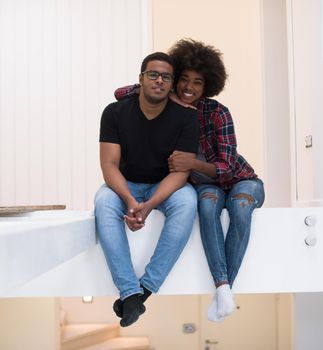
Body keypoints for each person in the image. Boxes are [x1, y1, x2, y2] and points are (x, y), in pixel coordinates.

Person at [115, 39, 265, 322]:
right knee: (206, 207)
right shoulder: (166, 106)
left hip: (241, 181)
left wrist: (193, 164)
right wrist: (163, 91)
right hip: (207, 187)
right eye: (183, 79)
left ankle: (224, 289)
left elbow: (229, 167)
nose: (189, 87)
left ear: (207, 85)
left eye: (197, 82)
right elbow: (121, 92)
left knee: (241, 208)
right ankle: (224, 291)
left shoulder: (216, 112)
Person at [95, 52, 199, 327]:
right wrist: (130, 201)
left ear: (172, 83)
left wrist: (150, 204)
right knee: (103, 200)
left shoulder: (186, 119)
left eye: (166, 77)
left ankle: (144, 291)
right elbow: (109, 165)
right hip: (124, 183)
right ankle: (129, 292)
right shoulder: (114, 112)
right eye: (153, 74)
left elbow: (181, 173)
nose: (159, 80)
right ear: (141, 78)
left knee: (188, 201)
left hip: (164, 185)